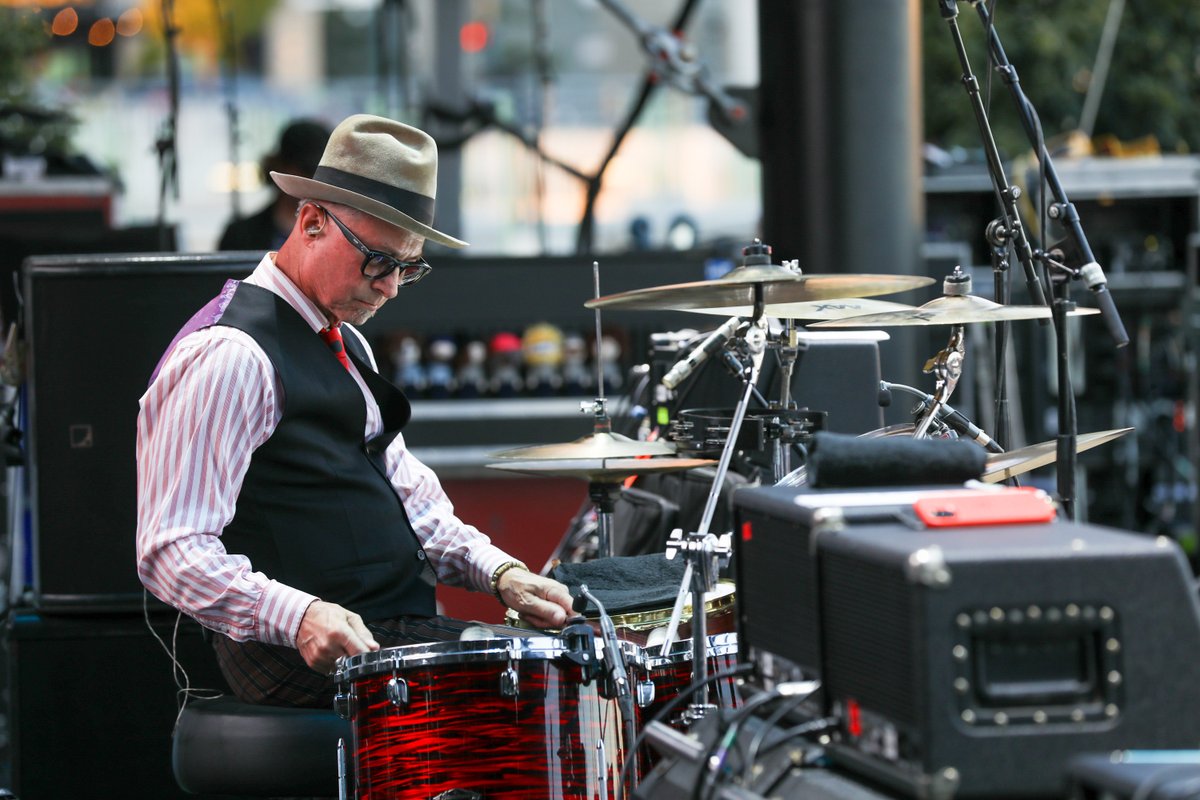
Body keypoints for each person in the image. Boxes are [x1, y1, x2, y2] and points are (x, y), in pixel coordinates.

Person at [136, 114, 575, 708]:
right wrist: (301, 615)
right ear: (312, 221)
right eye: (377, 260)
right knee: (540, 691)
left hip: (386, 627)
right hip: (293, 651)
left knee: (570, 660)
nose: (391, 287)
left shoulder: (346, 338)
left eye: (408, 268)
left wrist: (501, 574)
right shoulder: (230, 354)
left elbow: (411, 498)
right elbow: (172, 551)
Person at [217, 118, 332, 251]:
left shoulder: (341, 234)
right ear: (282, 167)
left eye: (320, 173)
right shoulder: (239, 235)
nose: (313, 181)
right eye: (306, 170)